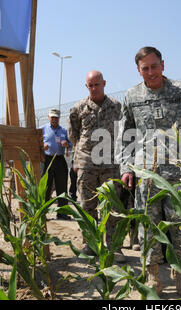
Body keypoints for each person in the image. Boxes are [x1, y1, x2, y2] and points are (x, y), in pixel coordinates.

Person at [118, 46, 181, 295]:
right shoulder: (131, 96)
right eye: (145, 68)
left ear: (163, 64)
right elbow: (125, 136)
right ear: (139, 70)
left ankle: (180, 273)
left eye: (154, 66)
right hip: (145, 174)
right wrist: (125, 167)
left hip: (178, 173)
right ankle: (153, 277)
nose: (150, 72)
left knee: (180, 225)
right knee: (148, 226)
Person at [69, 70, 125, 262]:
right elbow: (74, 134)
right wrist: (78, 159)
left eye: (97, 84)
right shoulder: (79, 108)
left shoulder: (117, 107)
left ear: (104, 83)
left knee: (112, 206)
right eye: (90, 85)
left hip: (111, 163)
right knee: (87, 205)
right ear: (86, 86)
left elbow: (123, 133)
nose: (94, 88)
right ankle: (91, 243)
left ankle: (114, 246)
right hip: (87, 163)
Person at [41, 108, 70, 219]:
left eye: (56, 117)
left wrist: (66, 144)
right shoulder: (43, 129)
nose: (54, 119)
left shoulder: (63, 131)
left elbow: (70, 144)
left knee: (62, 186)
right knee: (46, 187)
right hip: (47, 160)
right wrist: (42, 144)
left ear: (59, 118)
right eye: (52, 117)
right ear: (49, 117)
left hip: (59, 160)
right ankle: (42, 213)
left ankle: (62, 213)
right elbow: (35, 140)